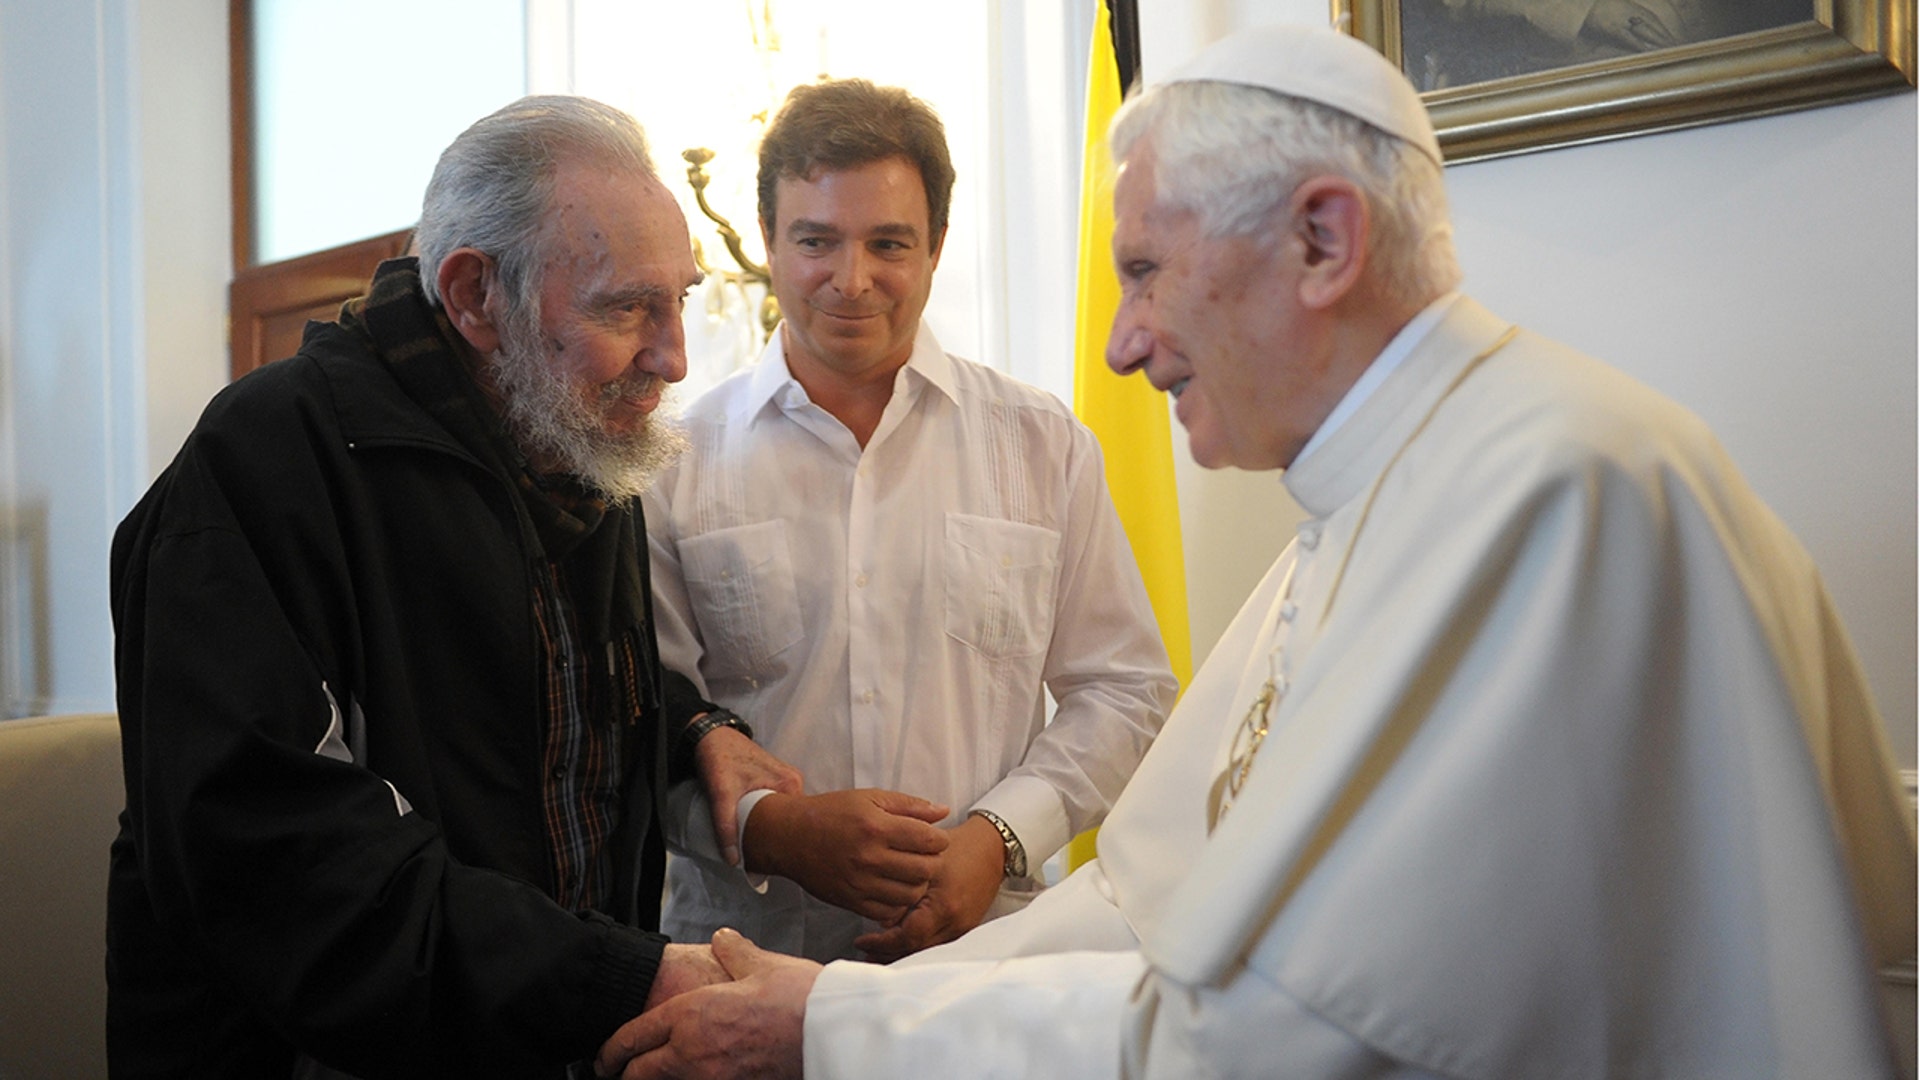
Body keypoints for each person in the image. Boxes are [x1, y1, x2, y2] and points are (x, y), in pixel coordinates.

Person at [595, 24, 1917, 1080]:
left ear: (1324, 242)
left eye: (1150, 269)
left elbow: (1275, 1036)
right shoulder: (1380, 502)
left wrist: (835, 1034)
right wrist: (838, 1001)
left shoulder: (1548, 499)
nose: (1121, 342)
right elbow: (1150, 896)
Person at [107, 96, 799, 1079]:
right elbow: (288, 872)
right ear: (474, 295)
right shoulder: (258, 466)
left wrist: (691, 731)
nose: (673, 355)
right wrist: (616, 981)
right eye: (626, 306)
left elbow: (543, 726)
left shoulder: (573, 440)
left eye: (679, 299)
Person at [644, 77, 1178, 964]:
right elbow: (638, 731)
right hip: (744, 960)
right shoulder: (672, 466)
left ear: (935, 247)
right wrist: (774, 830)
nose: (851, 281)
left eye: (888, 243)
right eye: (816, 240)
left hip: (988, 959)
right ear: (769, 242)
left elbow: (1126, 690)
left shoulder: (1045, 446)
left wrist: (998, 837)